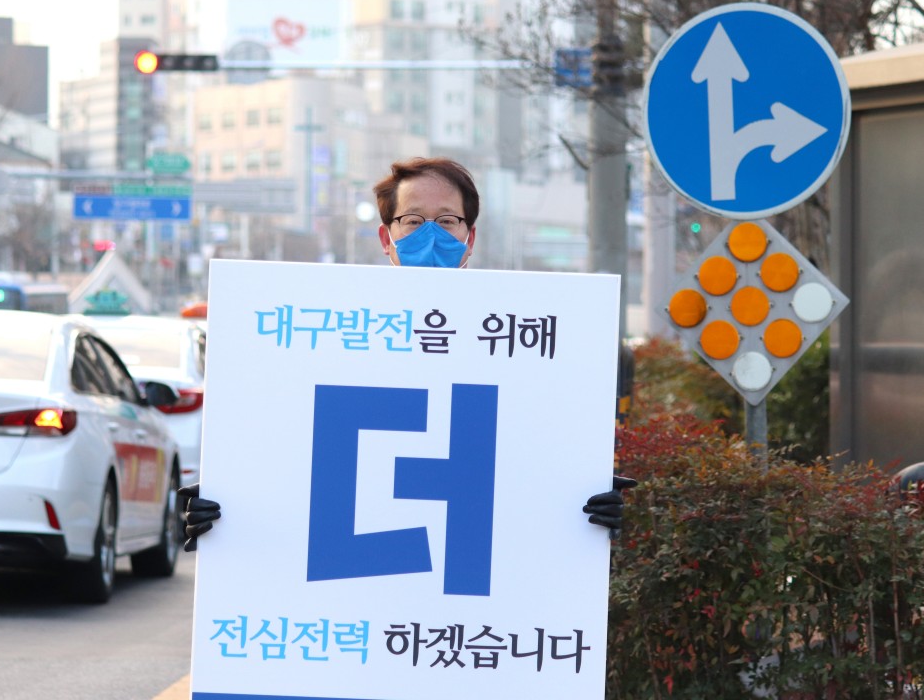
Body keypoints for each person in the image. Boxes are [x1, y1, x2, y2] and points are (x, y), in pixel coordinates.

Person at [180, 156, 636, 550]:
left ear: (470, 237)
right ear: (387, 238)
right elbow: (291, 441)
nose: (431, 233)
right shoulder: (331, 340)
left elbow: (531, 448)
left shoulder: (521, 348)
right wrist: (233, 495)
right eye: (414, 220)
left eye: (448, 220)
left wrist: (582, 495)